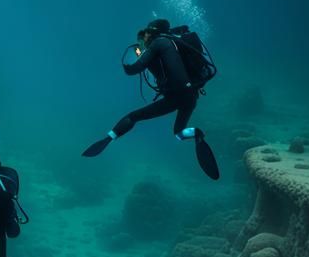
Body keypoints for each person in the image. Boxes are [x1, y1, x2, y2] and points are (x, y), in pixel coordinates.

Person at [82, 18, 220, 179]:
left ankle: (108, 138)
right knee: (178, 132)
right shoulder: (173, 43)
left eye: (147, 32)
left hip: (174, 97)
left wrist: (127, 65)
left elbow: (135, 69)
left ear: (152, 32)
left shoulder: (158, 44)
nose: (145, 36)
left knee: (133, 117)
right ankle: (197, 134)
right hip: (191, 96)